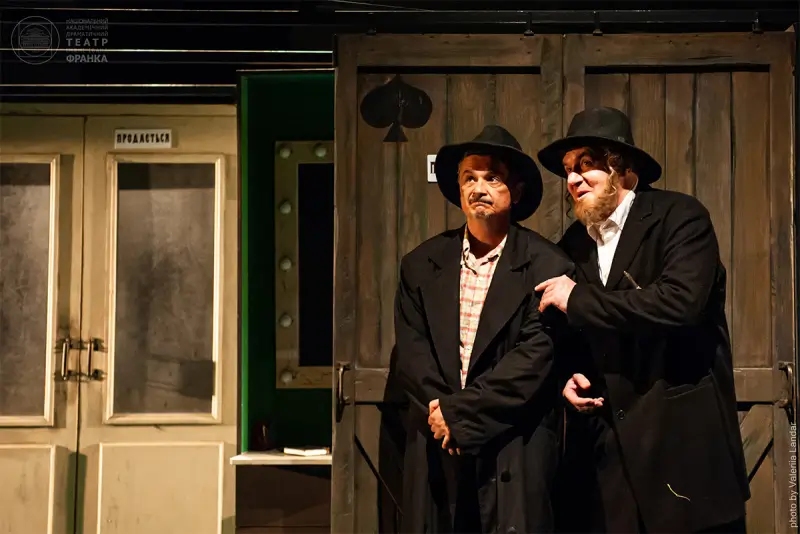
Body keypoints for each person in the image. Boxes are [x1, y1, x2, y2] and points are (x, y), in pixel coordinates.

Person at [536, 107, 750, 533]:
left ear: (623, 168)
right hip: (609, 458)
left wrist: (578, 298)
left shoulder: (679, 216)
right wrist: (566, 373)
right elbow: (572, 330)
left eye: (586, 165)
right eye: (568, 170)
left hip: (681, 446)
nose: (573, 179)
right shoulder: (573, 243)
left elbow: (680, 303)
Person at [393, 125, 574, 533]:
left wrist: (460, 416)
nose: (479, 188)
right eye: (469, 178)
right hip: (438, 444)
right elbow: (413, 354)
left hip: (513, 443)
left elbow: (534, 360)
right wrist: (444, 418)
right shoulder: (420, 265)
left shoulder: (549, 265)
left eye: (492, 177)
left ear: (517, 191)